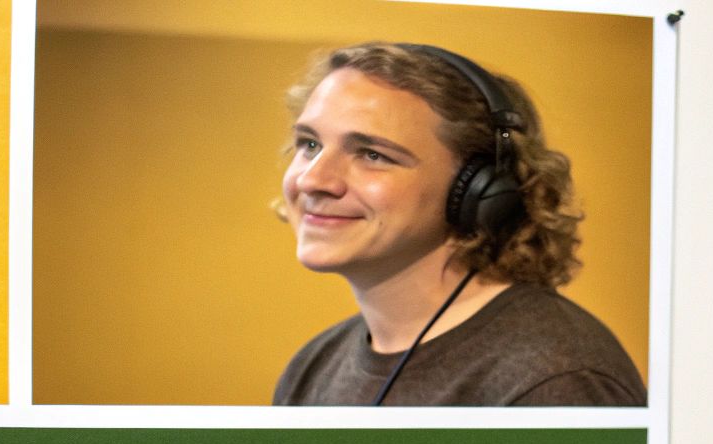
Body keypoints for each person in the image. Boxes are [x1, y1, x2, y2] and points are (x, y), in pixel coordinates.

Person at [271, 42, 646, 407]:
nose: (312, 180)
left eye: (372, 154)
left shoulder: (553, 378)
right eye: (309, 144)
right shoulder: (313, 368)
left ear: (479, 189)